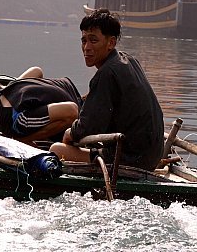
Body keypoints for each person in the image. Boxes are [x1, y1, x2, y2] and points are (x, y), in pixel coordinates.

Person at [50, 9, 164, 171]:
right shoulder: (129, 61)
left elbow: (87, 128)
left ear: (111, 43)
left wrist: (70, 133)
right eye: (84, 41)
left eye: (93, 41)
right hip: (152, 155)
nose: (86, 47)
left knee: (56, 149)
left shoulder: (106, 73)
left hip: (131, 159)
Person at [0, 66, 82, 144]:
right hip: (15, 121)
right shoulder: (80, 113)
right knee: (72, 111)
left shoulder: (68, 87)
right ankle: (23, 140)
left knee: (37, 71)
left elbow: (36, 71)